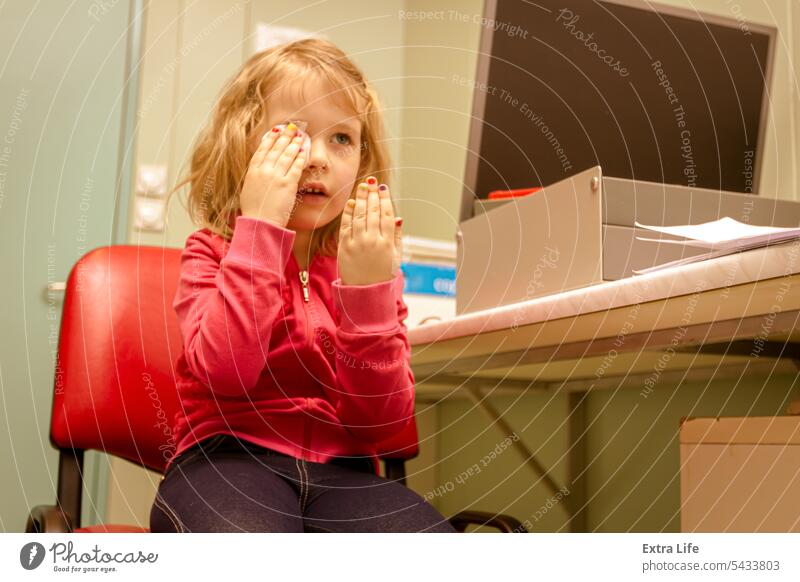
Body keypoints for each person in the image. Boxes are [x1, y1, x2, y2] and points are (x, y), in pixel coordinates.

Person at [149, 38, 456, 533]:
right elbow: (227, 373)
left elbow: (382, 421)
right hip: (226, 457)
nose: (318, 157)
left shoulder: (367, 267)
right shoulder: (212, 251)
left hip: (347, 472)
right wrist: (260, 233)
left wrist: (368, 293)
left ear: (362, 159)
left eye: (342, 139)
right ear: (243, 143)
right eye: (292, 132)